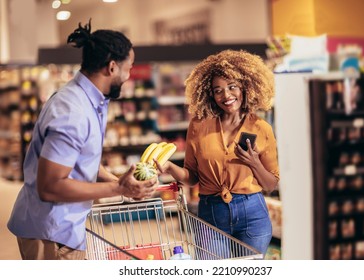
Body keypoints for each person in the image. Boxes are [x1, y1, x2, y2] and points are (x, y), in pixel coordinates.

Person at [7, 20, 158, 260]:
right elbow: (50, 186)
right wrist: (118, 188)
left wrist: (122, 183)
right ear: (111, 67)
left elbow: (82, 160)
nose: (129, 76)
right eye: (128, 68)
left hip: (63, 227)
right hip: (50, 232)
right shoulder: (72, 111)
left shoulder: (91, 101)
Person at [155, 49, 279, 256]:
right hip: (212, 212)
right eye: (218, 90)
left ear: (246, 87)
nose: (226, 95)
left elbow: (270, 184)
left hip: (253, 213)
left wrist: (254, 162)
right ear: (209, 94)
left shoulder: (261, 128)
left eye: (232, 87)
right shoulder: (199, 125)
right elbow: (192, 177)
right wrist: (168, 167)